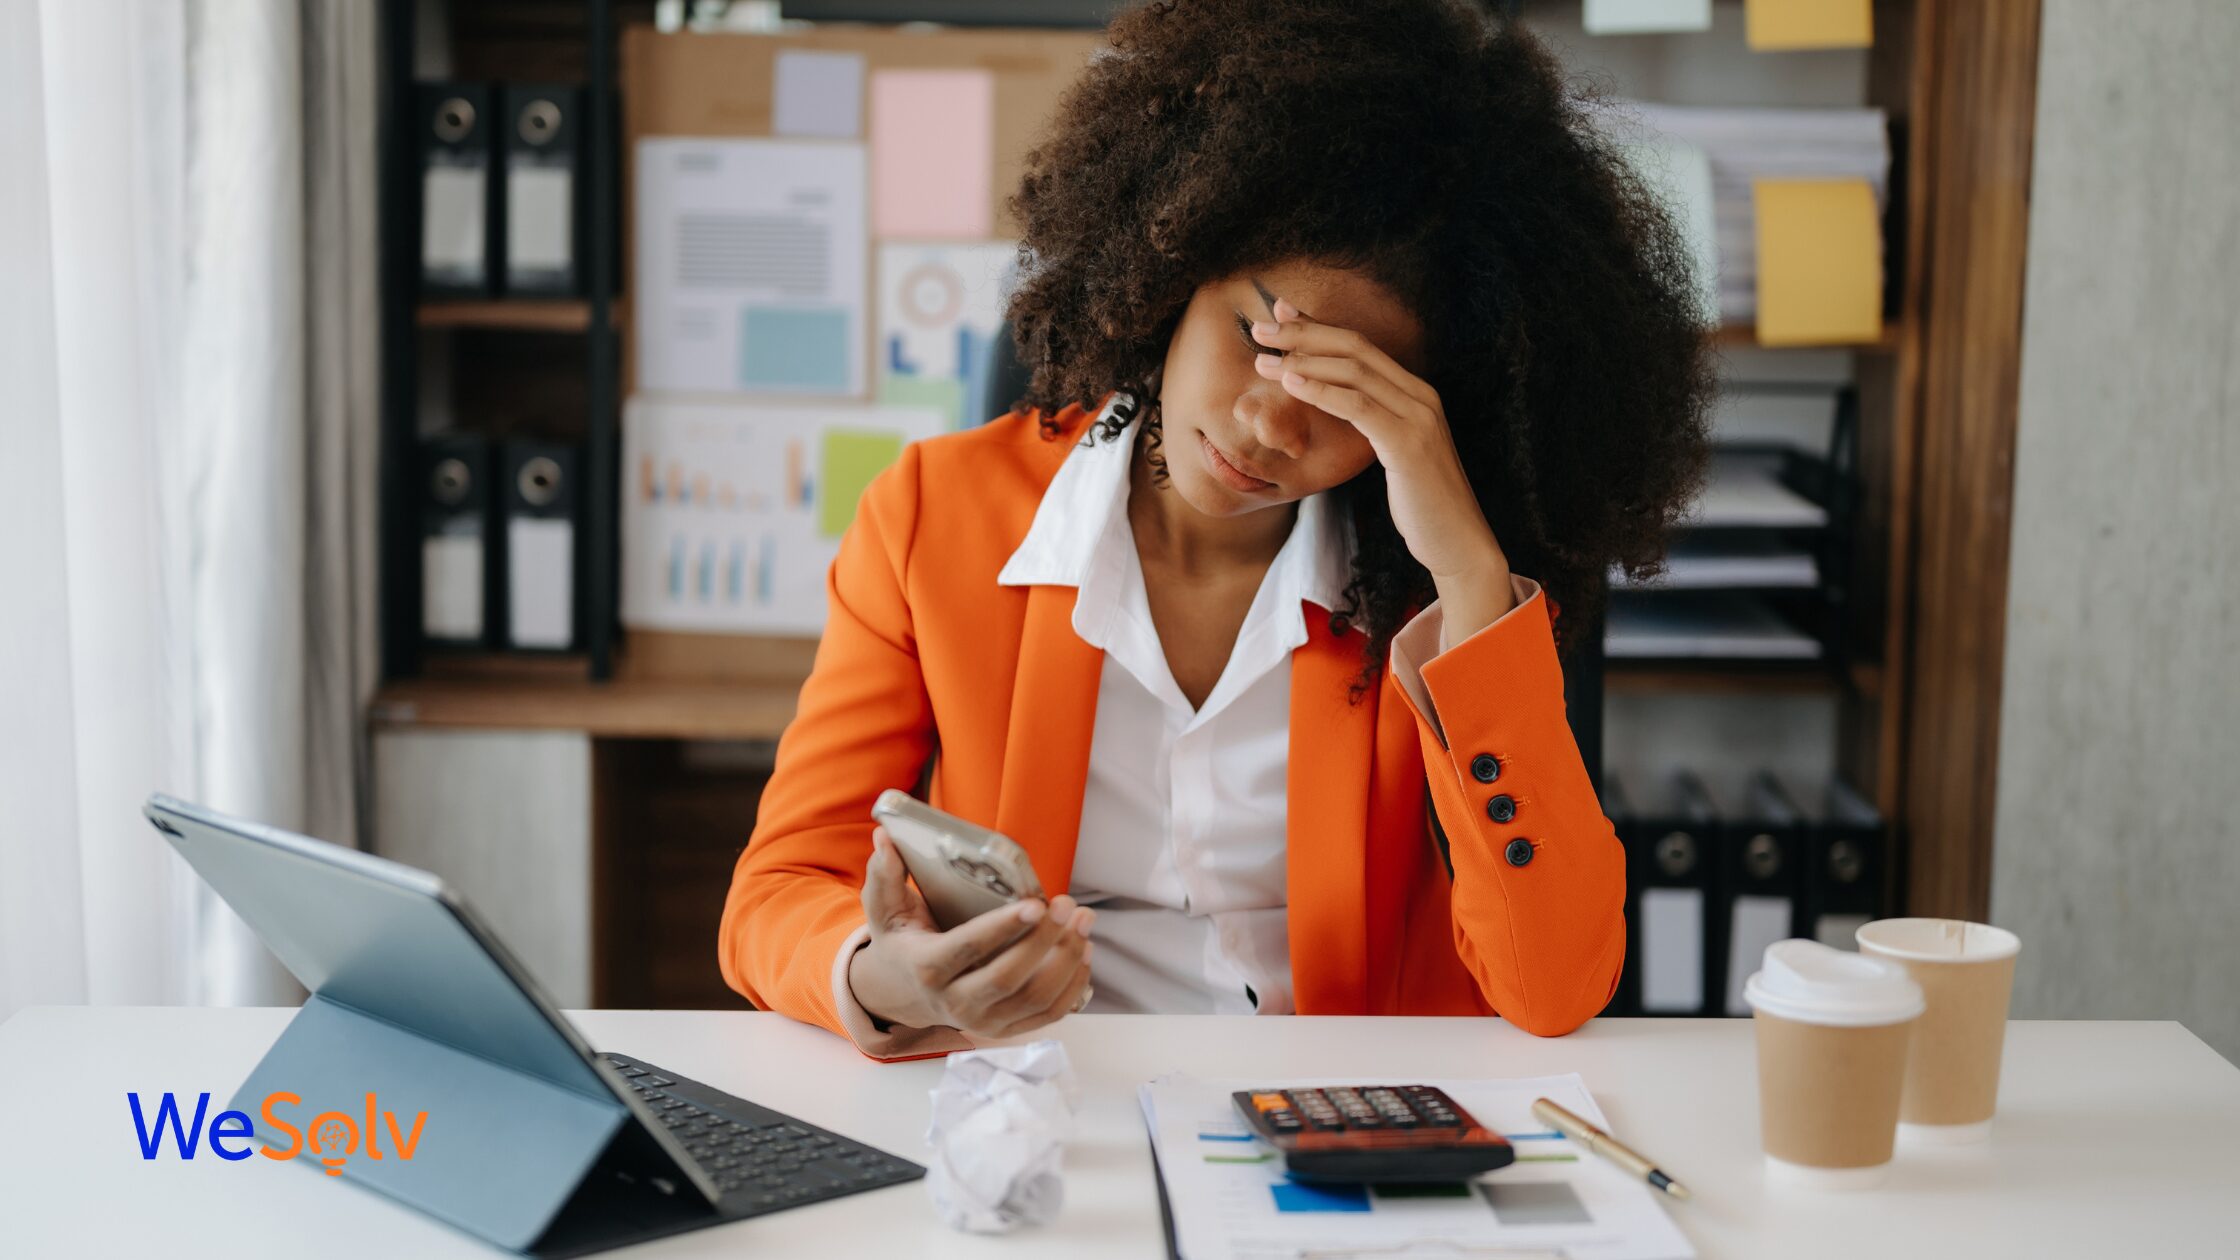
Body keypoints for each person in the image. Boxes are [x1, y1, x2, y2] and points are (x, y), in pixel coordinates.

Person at [718, 0, 1713, 1060]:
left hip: (1338, 1130)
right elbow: (777, 893)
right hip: (1049, 1112)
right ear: (1169, 263)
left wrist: (1468, 577)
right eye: (1257, 336)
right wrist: (885, 977)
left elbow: (1554, 987)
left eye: (1350, 392)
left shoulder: (1443, 591)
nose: (1269, 424)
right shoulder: (934, 517)